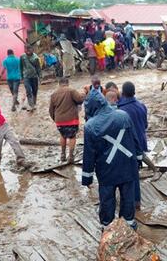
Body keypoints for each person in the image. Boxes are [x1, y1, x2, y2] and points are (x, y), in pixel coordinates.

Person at [82, 90, 142, 230]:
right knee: (128, 198)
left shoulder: (90, 126)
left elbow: (89, 155)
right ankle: (128, 226)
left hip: (106, 170)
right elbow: (135, 140)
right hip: (128, 165)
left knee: (107, 200)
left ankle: (108, 228)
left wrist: (87, 179)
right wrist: (139, 159)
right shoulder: (123, 116)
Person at [49, 78, 85, 163]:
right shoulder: (71, 90)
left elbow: (51, 110)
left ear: (59, 84)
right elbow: (79, 100)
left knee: (63, 135)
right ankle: (71, 156)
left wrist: (55, 119)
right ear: (67, 83)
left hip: (59, 121)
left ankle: (62, 155)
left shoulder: (54, 94)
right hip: (71, 120)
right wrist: (83, 95)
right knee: (72, 137)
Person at [20, 46, 41, 111]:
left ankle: (34, 103)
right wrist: (21, 76)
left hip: (34, 76)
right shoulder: (22, 57)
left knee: (35, 91)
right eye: (26, 49)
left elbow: (38, 68)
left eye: (29, 49)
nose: (27, 51)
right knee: (28, 91)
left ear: (32, 50)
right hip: (26, 77)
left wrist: (40, 77)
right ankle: (31, 105)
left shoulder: (36, 58)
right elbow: (21, 66)